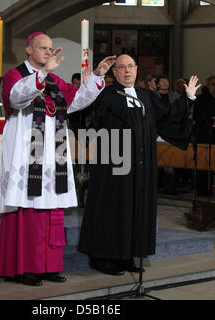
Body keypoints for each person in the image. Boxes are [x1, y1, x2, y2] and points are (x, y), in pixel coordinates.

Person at [0, 32, 116, 286]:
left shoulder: (53, 79)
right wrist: (41, 75)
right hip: (25, 154)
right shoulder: (15, 75)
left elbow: (76, 100)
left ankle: (47, 266)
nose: (48, 53)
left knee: (51, 209)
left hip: (53, 155)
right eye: (43, 48)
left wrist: (97, 76)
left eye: (51, 49)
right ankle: (24, 268)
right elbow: (17, 98)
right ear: (29, 50)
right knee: (27, 209)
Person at [77, 54, 200, 276]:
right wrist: (93, 81)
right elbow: (84, 116)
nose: (127, 71)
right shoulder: (105, 95)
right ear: (114, 73)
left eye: (131, 66)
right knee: (112, 208)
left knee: (135, 207)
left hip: (142, 166)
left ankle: (127, 255)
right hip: (113, 163)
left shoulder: (146, 95)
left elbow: (167, 118)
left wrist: (187, 99)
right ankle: (104, 258)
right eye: (121, 67)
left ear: (136, 69)